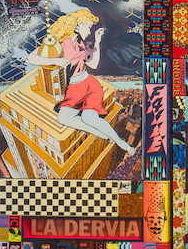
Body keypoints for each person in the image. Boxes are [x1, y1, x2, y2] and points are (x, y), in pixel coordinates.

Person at [26, 9, 136, 155]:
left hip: (89, 85)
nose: (90, 30)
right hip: (74, 89)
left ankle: (121, 143)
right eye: (88, 26)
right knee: (63, 118)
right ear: (77, 26)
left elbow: (94, 65)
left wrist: (97, 41)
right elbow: (31, 58)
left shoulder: (82, 44)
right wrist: (56, 60)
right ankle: (103, 134)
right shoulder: (60, 44)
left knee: (88, 117)